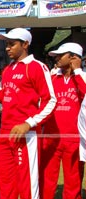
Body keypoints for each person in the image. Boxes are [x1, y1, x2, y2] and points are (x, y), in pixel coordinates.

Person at [0, 28, 56, 199]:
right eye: (6, 44)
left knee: (27, 184)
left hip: (26, 134)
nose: (7, 48)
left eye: (12, 44)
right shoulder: (8, 69)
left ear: (25, 44)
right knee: (5, 181)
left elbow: (51, 100)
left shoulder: (36, 67)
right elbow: (8, 96)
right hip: (6, 133)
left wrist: (29, 123)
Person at [39, 42, 84, 199]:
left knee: (73, 181)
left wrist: (78, 70)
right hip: (51, 138)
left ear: (73, 57)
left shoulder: (83, 78)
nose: (56, 58)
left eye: (60, 55)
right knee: (46, 179)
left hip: (74, 139)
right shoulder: (51, 78)